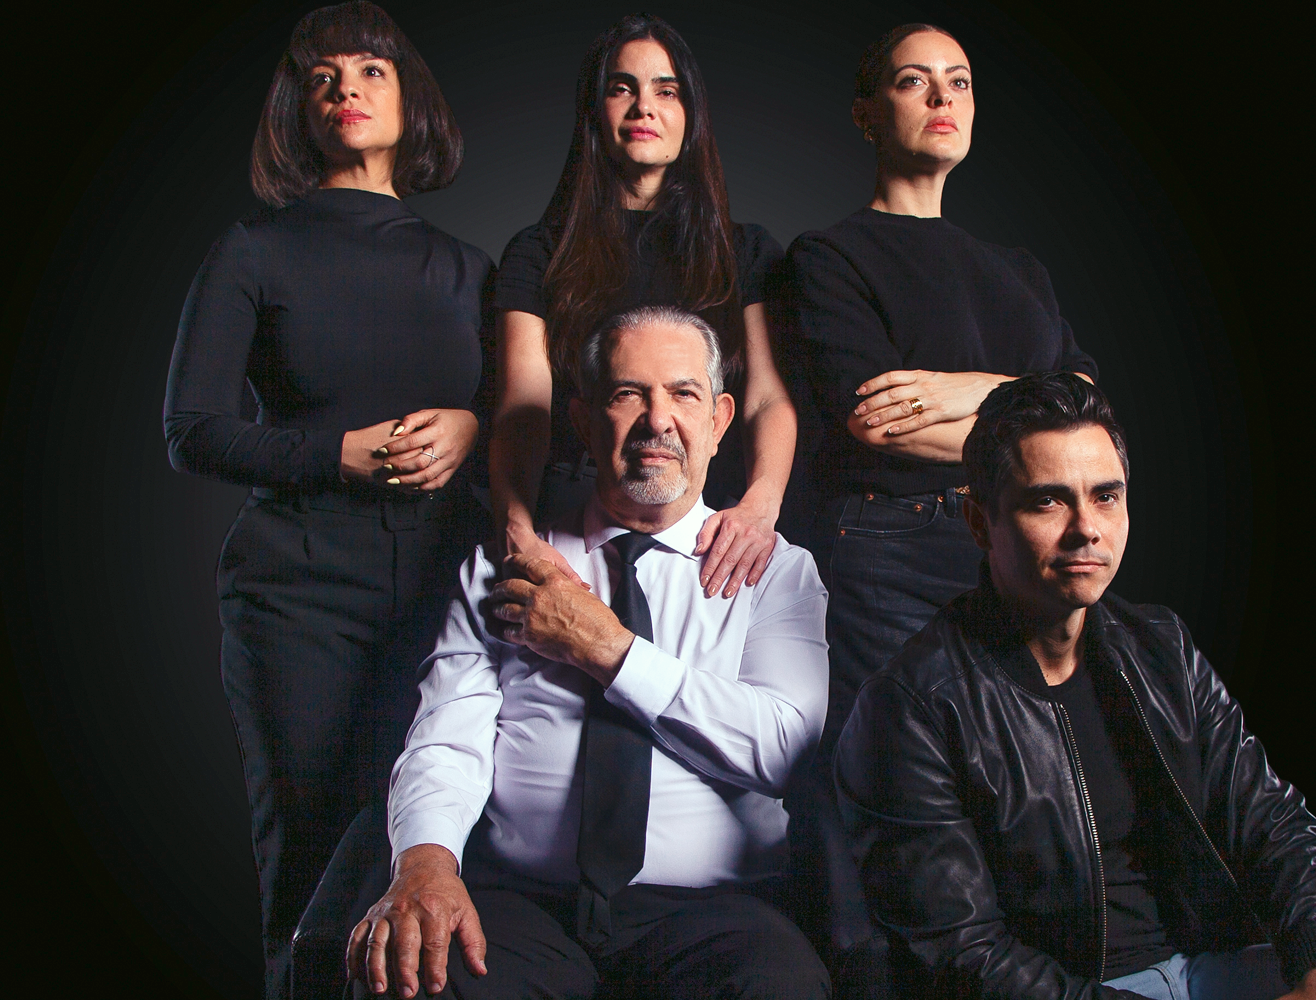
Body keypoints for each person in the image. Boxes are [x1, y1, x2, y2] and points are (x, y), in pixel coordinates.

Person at [834, 373, 1316, 1000]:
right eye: (1048, 500)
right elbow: (963, 953)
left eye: (1106, 496)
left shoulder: (1160, 647)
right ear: (980, 522)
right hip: (1069, 988)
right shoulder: (912, 705)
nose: (1087, 527)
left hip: (1202, 966)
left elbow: (1272, 823)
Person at [346, 307, 830, 1000]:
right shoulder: (505, 564)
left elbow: (783, 748)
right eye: (626, 393)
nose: (657, 419)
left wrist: (606, 647)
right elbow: (446, 739)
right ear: (581, 422)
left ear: (721, 421)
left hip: (711, 917)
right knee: (414, 977)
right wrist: (425, 861)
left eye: (683, 394)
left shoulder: (777, 571)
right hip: (523, 903)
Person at [161, 4, 490, 995]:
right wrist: (334, 456)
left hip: (442, 603)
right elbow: (192, 430)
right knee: (310, 866)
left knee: (426, 865)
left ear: (409, 100)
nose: (347, 86)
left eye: (372, 69)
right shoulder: (254, 251)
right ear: (298, 110)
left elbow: (527, 425)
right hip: (296, 599)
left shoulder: (467, 268)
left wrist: (473, 431)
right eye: (323, 76)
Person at [782, 24, 1098, 748]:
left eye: (958, 81)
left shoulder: (1020, 269)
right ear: (867, 114)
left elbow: (1091, 411)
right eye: (912, 80)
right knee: (895, 769)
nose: (941, 97)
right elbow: (882, 422)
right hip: (893, 544)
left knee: (1023, 774)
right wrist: (1035, 408)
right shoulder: (830, 256)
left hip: (1021, 542)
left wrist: (972, 388)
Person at [491, 13, 796, 606]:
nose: (643, 108)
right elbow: (523, 406)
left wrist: (760, 507)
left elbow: (765, 396)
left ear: (691, 115)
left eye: (666, 90)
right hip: (570, 527)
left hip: (708, 534)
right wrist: (515, 527)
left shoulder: (747, 250)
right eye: (621, 87)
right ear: (594, 111)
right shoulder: (538, 252)